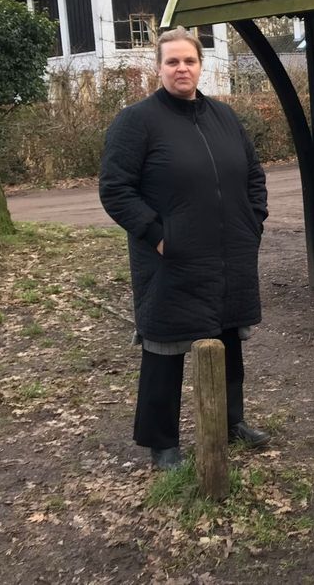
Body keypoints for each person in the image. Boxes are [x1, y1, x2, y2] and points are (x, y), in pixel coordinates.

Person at [100, 26, 271, 470]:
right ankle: (163, 443)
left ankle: (230, 422)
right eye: (172, 61)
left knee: (228, 339)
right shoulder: (136, 121)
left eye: (189, 61)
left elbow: (253, 174)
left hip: (230, 253)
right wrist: (158, 235)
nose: (182, 68)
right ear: (158, 68)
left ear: (201, 66)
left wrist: (254, 222)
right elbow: (116, 189)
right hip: (170, 258)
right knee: (165, 349)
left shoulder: (225, 116)